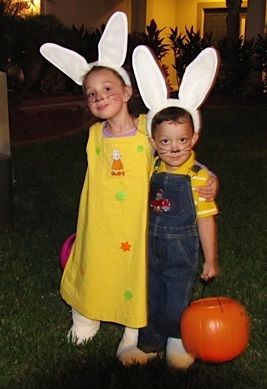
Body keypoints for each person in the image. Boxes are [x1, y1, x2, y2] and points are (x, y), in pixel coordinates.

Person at [40, 13, 218, 363]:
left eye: (107, 89)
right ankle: (86, 315)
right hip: (99, 224)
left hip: (136, 228)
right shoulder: (94, 135)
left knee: (133, 276)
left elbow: (177, 154)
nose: (99, 97)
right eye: (91, 94)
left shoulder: (145, 131)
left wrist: (208, 175)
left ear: (127, 91)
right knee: (94, 267)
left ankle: (133, 329)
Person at [117, 45, 220, 368]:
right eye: (165, 141)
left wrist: (211, 259)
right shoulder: (153, 169)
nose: (174, 148)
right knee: (151, 293)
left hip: (183, 251)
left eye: (181, 140)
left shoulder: (197, 177)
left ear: (195, 137)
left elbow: (205, 221)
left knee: (176, 295)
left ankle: (178, 341)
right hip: (151, 247)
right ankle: (149, 343)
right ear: (153, 142)